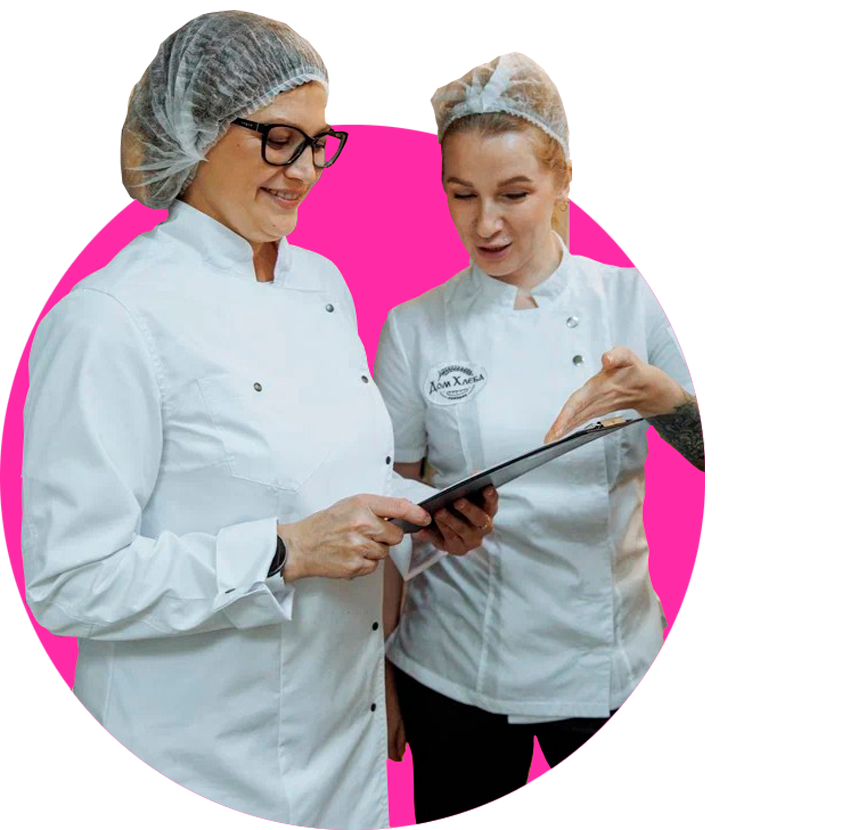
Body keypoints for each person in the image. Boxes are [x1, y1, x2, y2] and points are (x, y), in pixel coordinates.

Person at [20, 14, 495, 829]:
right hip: (194, 769)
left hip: (342, 750)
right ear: (197, 132)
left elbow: (327, 475)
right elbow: (69, 582)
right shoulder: (112, 318)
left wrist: (425, 517)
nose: (305, 170)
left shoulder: (323, 284)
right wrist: (282, 552)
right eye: (280, 139)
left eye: (319, 143)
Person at [375, 54, 704, 822]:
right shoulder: (413, 329)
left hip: (609, 666)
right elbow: (389, 515)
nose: (485, 224)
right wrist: (374, 675)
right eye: (462, 195)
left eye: (514, 194)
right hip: (455, 669)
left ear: (561, 183)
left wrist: (668, 402)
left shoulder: (627, 299)